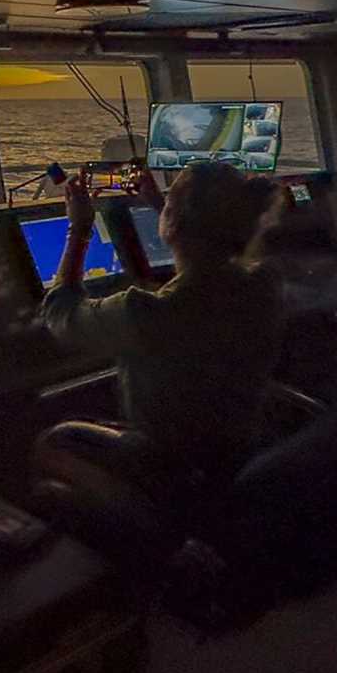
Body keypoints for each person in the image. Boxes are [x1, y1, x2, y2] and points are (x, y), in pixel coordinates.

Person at [30, 161, 284, 554]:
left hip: (175, 468)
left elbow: (60, 315)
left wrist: (79, 230)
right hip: (238, 455)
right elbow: (205, 264)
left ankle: (142, 552)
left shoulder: (147, 314)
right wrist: (161, 204)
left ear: (174, 224)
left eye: (169, 205)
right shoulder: (264, 285)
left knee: (54, 442)